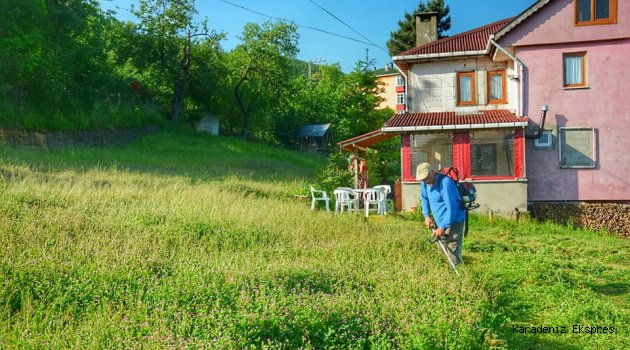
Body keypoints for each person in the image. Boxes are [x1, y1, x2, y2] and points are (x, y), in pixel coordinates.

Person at [416, 162, 466, 265]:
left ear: (432, 173)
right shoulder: (424, 184)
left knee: (453, 248)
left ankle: (456, 276)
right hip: (440, 221)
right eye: (422, 179)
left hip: (455, 220)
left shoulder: (445, 183)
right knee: (441, 248)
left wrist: (442, 227)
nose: (424, 181)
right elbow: (424, 200)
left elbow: (452, 208)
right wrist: (426, 216)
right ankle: (444, 273)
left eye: (425, 178)